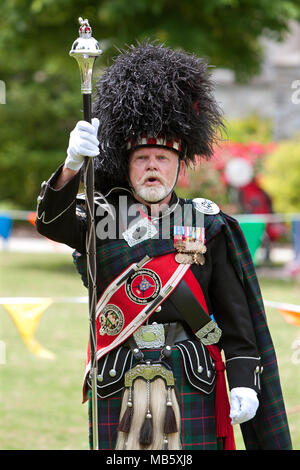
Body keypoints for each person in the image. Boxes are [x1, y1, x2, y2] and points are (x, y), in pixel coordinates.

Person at [36, 42, 292, 451]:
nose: (153, 166)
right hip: (119, 374)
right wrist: (71, 165)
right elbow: (52, 222)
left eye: (162, 158)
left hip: (192, 376)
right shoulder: (101, 217)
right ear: (126, 163)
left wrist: (244, 381)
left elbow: (237, 321)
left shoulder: (209, 223)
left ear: (179, 164)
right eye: (143, 158)